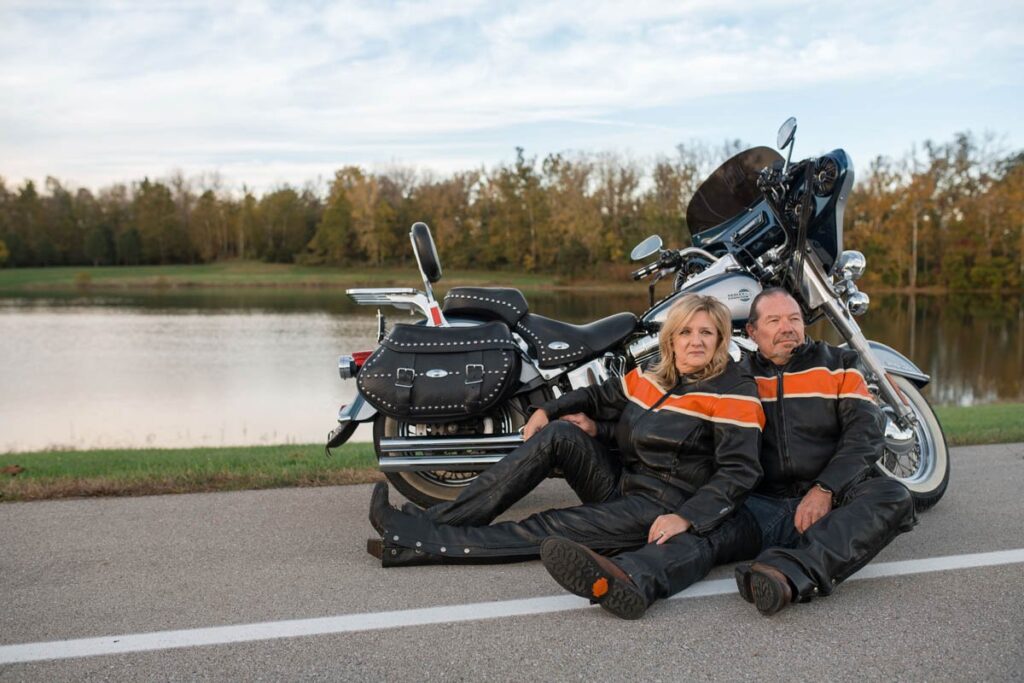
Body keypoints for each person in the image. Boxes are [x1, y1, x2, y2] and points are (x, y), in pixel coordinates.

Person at [368, 294, 765, 619]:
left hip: (662, 505)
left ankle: (421, 542)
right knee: (560, 434)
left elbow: (739, 472)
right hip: (622, 484)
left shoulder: (733, 391)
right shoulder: (654, 376)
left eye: (707, 333)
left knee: (548, 524)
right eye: (686, 332)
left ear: (719, 340)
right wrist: (549, 411)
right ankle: (438, 519)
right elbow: (596, 396)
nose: (695, 341)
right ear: (671, 337)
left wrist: (686, 518)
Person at [729, 287, 916, 615]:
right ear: (752, 332)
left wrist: (826, 487)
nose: (787, 327)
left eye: (794, 319)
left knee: (894, 496)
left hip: (833, 498)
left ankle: (788, 573)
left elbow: (866, 431)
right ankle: (636, 572)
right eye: (774, 320)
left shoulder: (839, 362)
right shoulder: (737, 377)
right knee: (702, 520)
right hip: (764, 504)